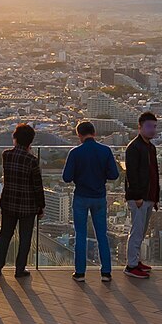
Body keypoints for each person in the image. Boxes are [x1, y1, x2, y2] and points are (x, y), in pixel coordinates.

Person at [61, 120, 120, 282]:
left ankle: (80, 273)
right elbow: (114, 175)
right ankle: (106, 272)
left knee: (80, 234)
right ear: (94, 133)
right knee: (102, 234)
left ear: (79, 135)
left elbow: (66, 177)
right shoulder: (105, 151)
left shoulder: (75, 153)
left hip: (81, 196)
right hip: (99, 196)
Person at [0, 122, 44, 279]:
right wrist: (41, 206)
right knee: (25, 237)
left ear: (14, 138)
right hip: (27, 205)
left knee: (5, 234)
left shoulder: (6, 155)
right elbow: (37, 186)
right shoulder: (32, 160)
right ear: (31, 141)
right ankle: (19, 269)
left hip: (9, 201)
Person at [123, 112, 162, 279]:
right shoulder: (134, 147)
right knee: (137, 231)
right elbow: (131, 174)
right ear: (139, 127)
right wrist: (137, 196)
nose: (152, 130)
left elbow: (154, 173)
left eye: (154, 126)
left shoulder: (150, 147)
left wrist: (155, 198)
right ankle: (131, 265)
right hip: (138, 198)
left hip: (148, 197)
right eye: (148, 126)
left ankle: (136, 261)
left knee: (142, 231)